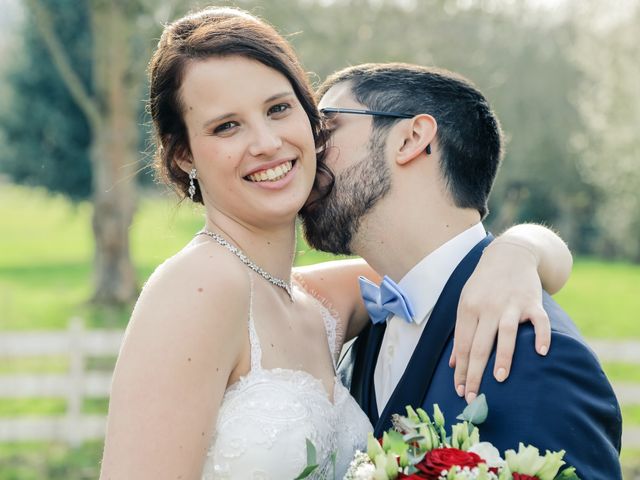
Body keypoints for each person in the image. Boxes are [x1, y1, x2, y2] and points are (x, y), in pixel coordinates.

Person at [99, 7, 573, 480]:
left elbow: (447, 266)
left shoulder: (324, 303)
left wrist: (517, 253)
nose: (266, 142)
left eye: (278, 109)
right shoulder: (198, 287)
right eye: (227, 126)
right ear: (184, 156)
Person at [301, 62, 622, 479]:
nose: (305, 151)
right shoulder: (365, 319)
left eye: (325, 129)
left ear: (411, 138)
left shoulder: (538, 357)